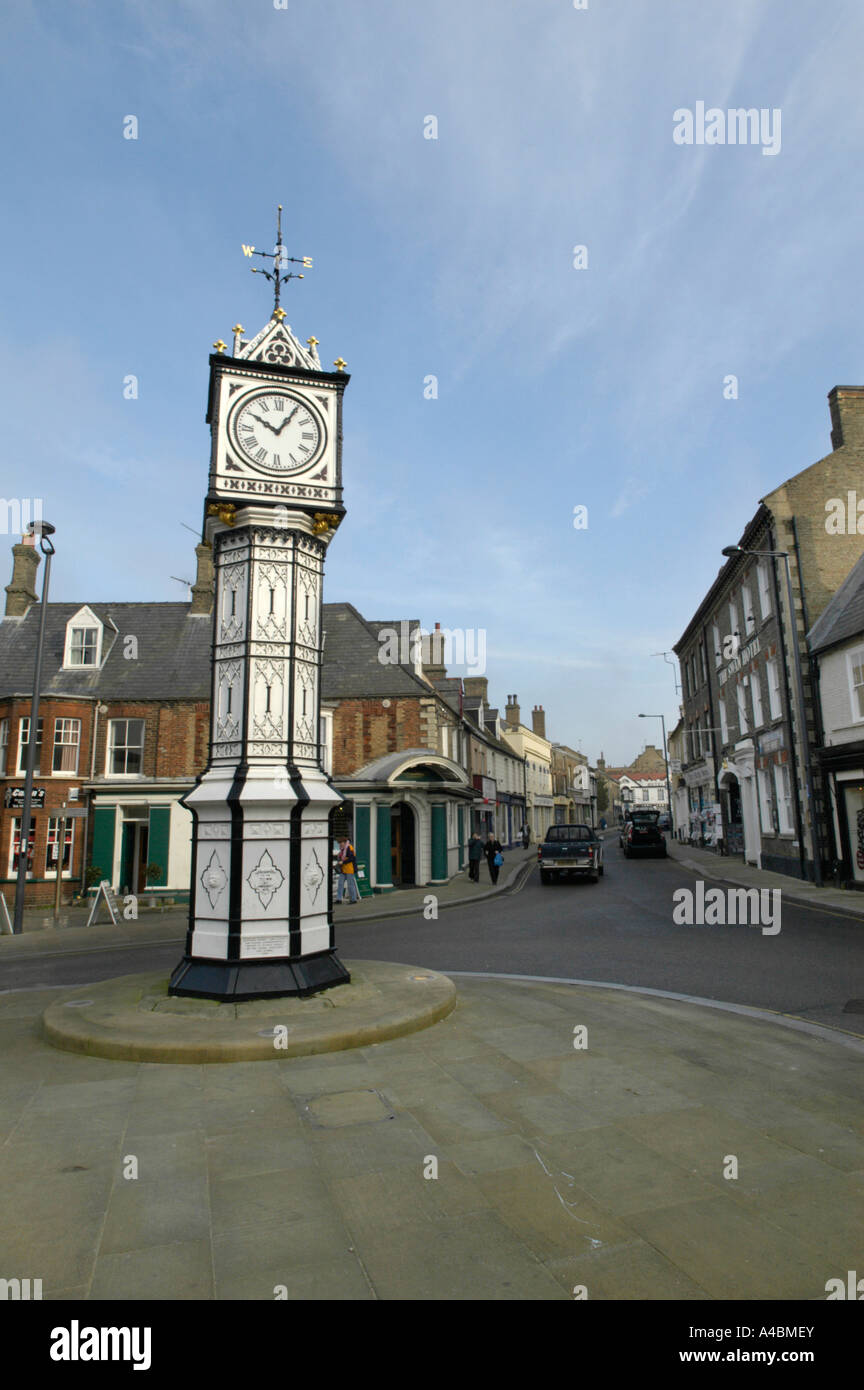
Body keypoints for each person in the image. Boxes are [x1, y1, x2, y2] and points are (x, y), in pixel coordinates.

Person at [336, 835, 359, 903]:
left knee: (350, 884)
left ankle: (353, 899)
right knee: (340, 883)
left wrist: (343, 862)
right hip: (344, 869)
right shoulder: (343, 849)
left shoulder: (349, 848)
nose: (340, 844)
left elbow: (352, 858)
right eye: (339, 843)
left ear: (345, 842)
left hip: (350, 869)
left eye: (341, 842)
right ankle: (339, 899)